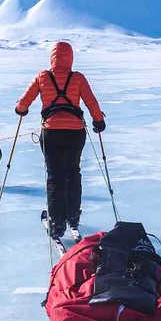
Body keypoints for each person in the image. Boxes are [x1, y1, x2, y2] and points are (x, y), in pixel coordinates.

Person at [15, 41, 105, 241]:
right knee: (73, 173)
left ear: (52, 58)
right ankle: (73, 218)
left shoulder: (43, 77)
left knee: (55, 176)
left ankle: (56, 223)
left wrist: (21, 109)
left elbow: (23, 102)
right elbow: (92, 102)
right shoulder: (78, 78)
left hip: (51, 133)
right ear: (70, 58)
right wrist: (98, 121)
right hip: (75, 133)